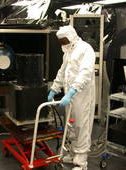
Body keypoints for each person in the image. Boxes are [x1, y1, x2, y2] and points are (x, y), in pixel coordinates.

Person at [48, 25, 96, 170]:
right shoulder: (67, 52)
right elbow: (62, 72)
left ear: (72, 36)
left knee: (82, 126)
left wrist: (71, 91)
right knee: (71, 125)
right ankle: (74, 153)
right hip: (70, 96)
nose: (63, 43)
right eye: (60, 41)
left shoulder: (86, 49)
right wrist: (54, 89)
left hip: (82, 95)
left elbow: (85, 73)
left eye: (64, 39)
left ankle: (81, 162)